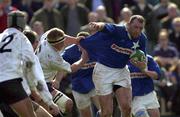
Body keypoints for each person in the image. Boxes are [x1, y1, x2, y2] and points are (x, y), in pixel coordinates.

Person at [80, 15, 147, 117]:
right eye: (135, 27)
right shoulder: (118, 30)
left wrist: (142, 65)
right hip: (103, 71)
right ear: (128, 25)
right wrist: (97, 25)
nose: (138, 30)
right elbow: (105, 26)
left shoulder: (142, 39)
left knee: (127, 108)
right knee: (107, 113)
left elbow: (143, 61)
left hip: (121, 71)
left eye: (141, 28)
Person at [37, 28, 89, 114]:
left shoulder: (46, 38)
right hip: (41, 85)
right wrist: (84, 58)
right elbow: (71, 68)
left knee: (67, 104)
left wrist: (75, 40)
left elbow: (60, 35)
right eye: (62, 42)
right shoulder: (53, 57)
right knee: (51, 111)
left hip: (44, 82)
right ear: (57, 44)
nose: (65, 43)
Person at [0, 10, 37, 117]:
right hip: (10, 81)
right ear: (23, 24)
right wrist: (31, 88)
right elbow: (29, 63)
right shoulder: (22, 38)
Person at [62, 32, 100, 117]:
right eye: (80, 43)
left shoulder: (97, 49)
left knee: (105, 111)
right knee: (86, 115)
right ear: (77, 42)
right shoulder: (69, 52)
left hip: (96, 84)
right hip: (78, 86)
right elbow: (60, 67)